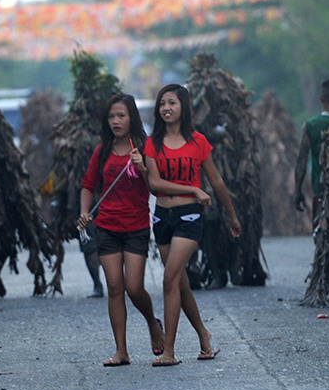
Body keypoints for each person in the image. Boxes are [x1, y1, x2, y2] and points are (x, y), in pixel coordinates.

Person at [142, 83, 241, 366]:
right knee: (180, 284)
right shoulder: (153, 143)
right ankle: (204, 335)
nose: (166, 108)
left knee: (170, 278)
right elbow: (154, 182)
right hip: (162, 217)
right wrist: (193, 190)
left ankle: (170, 351)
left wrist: (232, 215)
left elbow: (217, 181)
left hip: (189, 217)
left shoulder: (198, 141)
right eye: (162, 103)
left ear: (183, 107)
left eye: (172, 102)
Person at [78, 94, 165, 366]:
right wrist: (84, 212)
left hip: (136, 226)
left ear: (132, 118)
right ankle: (121, 350)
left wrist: (142, 169)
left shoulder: (145, 148)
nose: (116, 121)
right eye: (112, 117)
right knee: (115, 286)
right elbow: (88, 184)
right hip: (106, 228)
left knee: (134, 287)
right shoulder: (101, 151)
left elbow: (155, 188)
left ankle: (152, 322)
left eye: (121, 116)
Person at [294, 78, 329, 219]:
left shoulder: (310, 125)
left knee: (321, 235)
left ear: (321, 99)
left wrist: (298, 191)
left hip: (320, 191)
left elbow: (301, 161)